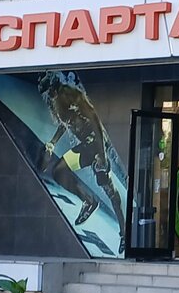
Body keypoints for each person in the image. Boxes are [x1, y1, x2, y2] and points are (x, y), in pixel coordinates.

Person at [37, 72, 125, 253]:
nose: (47, 95)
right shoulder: (57, 104)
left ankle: (124, 233)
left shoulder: (70, 95)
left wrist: (102, 155)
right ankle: (89, 201)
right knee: (59, 171)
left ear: (53, 87)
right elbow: (65, 124)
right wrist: (52, 143)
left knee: (109, 188)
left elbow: (94, 118)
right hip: (85, 147)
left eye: (47, 90)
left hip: (96, 145)